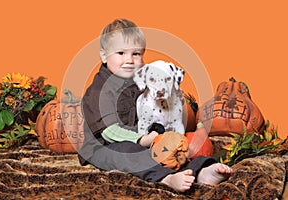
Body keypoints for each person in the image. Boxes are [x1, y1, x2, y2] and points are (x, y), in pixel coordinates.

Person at [78, 18, 232, 192]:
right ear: (104, 55)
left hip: (145, 139)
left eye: (135, 54)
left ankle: (201, 170)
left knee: (173, 150)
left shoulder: (140, 82)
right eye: (121, 53)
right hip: (103, 147)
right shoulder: (99, 91)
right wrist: (142, 140)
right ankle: (166, 178)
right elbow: (110, 132)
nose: (129, 60)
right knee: (128, 152)